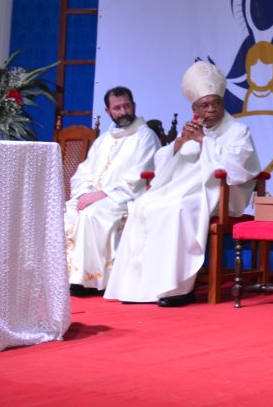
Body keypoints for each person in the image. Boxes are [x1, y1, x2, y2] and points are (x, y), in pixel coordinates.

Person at [104, 61, 261, 307]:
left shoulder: (238, 130)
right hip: (184, 189)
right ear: (194, 108)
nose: (211, 110)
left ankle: (178, 288)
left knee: (176, 208)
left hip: (219, 193)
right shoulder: (192, 128)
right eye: (204, 106)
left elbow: (239, 166)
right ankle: (140, 287)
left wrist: (203, 142)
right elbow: (164, 164)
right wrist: (179, 144)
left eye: (216, 103)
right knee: (143, 204)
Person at [64, 86, 160, 293]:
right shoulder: (104, 139)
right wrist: (84, 194)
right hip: (96, 197)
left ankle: (91, 281)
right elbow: (85, 171)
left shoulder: (146, 136)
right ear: (108, 111)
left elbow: (141, 174)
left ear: (134, 106)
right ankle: (67, 277)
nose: (123, 112)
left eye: (127, 106)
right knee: (66, 212)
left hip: (126, 198)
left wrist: (104, 194)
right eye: (117, 108)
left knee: (91, 215)